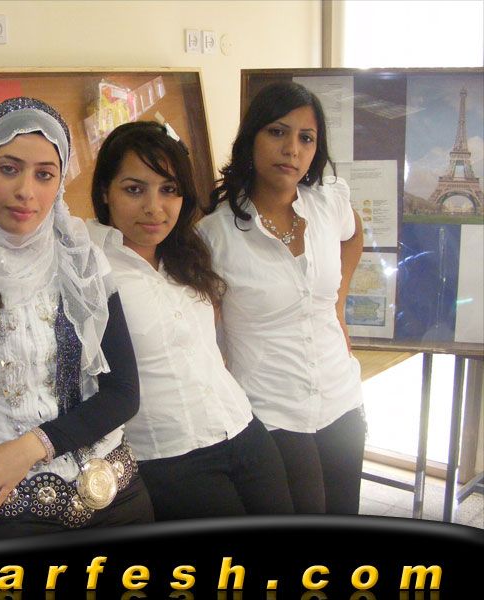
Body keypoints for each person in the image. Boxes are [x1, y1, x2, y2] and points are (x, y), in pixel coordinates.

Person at [0, 97, 154, 539]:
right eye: (9, 168)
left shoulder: (82, 260)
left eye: (44, 174)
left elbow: (123, 393)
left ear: (60, 182)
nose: (26, 191)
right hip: (11, 505)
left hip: (114, 491)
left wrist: (30, 447)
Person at [87, 120, 294, 519]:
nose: (154, 207)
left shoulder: (187, 252)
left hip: (243, 429)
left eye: (169, 190)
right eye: (134, 189)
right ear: (105, 192)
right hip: (170, 458)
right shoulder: (89, 265)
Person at [198, 81, 365, 514]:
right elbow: (204, 327)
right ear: (251, 138)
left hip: (340, 394)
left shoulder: (326, 205)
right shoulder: (215, 234)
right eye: (277, 132)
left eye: (306, 138)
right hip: (271, 408)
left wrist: (339, 305)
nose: (292, 149)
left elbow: (354, 235)